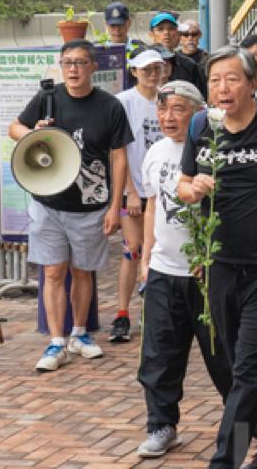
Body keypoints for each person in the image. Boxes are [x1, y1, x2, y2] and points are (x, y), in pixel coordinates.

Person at [177, 46, 257, 469]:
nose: (222, 88)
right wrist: (192, 190)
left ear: (251, 83)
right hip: (218, 266)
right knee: (233, 369)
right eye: (214, 81)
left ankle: (224, 461)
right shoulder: (201, 127)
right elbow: (183, 182)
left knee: (249, 367)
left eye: (231, 79)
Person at [9, 39, 132, 372]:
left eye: (80, 63)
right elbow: (14, 127)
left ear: (93, 67)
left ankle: (80, 333)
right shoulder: (48, 99)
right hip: (48, 202)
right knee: (52, 272)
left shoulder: (109, 106)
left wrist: (115, 207)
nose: (73, 69)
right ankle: (56, 340)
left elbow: (119, 158)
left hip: (90, 204)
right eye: (67, 63)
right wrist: (31, 132)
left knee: (82, 272)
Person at [135, 80, 233, 459]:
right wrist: (145, 259)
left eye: (177, 109)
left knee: (224, 358)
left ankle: (244, 429)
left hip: (208, 272)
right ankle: (161, 425)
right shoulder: (156, 152)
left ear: (198, 113)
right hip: (163, 270)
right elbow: (151, 206)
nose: (168, 117)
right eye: (162, 109)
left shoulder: (216, 148)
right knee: (158, 356)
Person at [110, 48, 171, 343]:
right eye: (146, 69)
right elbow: (118, 150)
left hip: (165, 190)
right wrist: (129, 192)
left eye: (157, 68)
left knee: (158, 249)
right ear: (134, 71)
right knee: (133, 249)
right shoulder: (123, 102)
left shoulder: (168, 98)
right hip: (134, 191)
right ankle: (122, 313)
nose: (152, 74)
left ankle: (154, 313)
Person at [149, 12, 206, 95]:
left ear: (178, 33)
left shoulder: (189, 65)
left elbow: (200, 98)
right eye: (160, 29)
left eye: (171, 28)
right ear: (151, 34)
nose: (166, 33)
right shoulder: (142, 63)